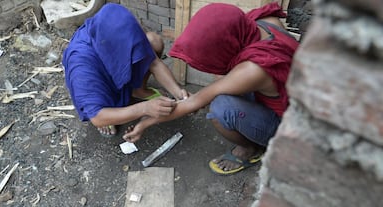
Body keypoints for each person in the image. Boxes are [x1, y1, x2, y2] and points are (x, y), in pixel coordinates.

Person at [123, 2, 299, 175]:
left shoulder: (252, 70)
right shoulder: (263, 22)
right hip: (291, 100)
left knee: (220, 108)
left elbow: (194, 102)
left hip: (289, 130)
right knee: (219, 86)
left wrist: (145, 122)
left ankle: (251, 149)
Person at [62, 3, 188, 137]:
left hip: (110, 54)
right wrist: (145, 109)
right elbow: (96, 116)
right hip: (100, 84)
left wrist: (178, 92)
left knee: (153, 41)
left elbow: (154, 62)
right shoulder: (82, 66)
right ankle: (110, 109)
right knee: (100, 113)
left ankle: (138, 90)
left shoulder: (114, 27)